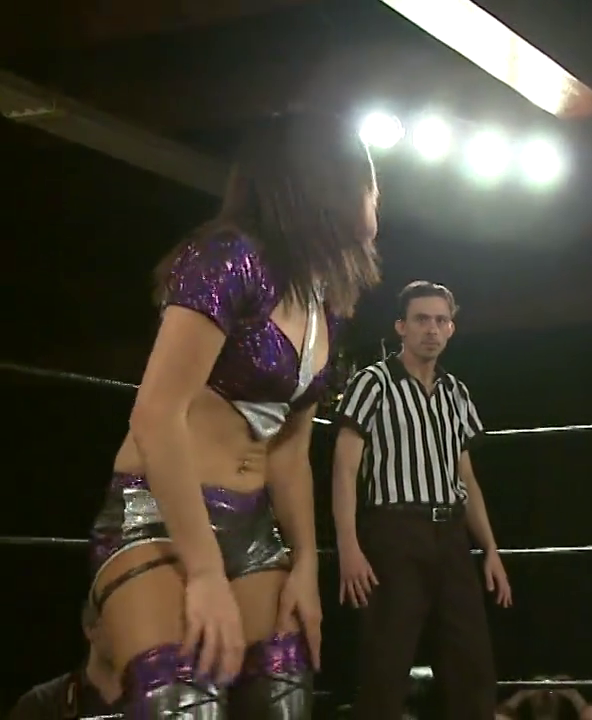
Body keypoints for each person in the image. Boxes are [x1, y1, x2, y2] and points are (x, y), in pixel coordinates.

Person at [87, 113, 382, 717]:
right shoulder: (228, 258)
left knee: (283, 700)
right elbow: (156, 415)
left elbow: (291, 452)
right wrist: (203, 573)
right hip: (161, 519)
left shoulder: (325, 301)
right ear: (329, 181)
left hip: (253, 530)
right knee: (182, 702)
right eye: (371, 182)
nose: (378, 196)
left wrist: (305, 565)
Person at [333, 280, 512, 720]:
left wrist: (490, 548)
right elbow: (344, 469)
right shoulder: (372, 382)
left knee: (472, 663)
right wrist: (348, 546)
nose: (431, 329)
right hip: (394, 530)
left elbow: (466, 476)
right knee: (386, 663)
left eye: (440, 320)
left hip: (450, 533)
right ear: (401, 326)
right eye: (421, 319)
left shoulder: (456, 392)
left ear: (451, 328)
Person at [6, 601, 123, 720]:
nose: (129, 634)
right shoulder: (40, 705)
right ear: (90, 629)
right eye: (120, 622)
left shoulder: (137, 700)